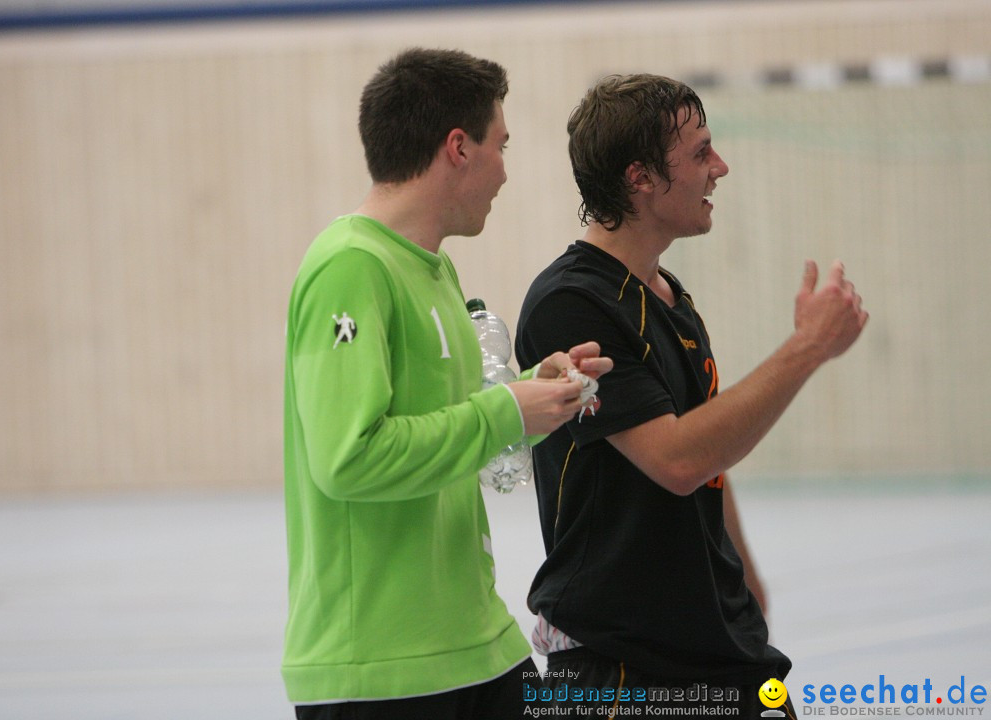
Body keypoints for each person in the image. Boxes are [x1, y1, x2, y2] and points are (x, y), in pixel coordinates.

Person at [515, 73, 868, 717]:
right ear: (641, 178)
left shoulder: (670, 296)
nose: (720, 167)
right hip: (622, 671)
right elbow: (676, 459)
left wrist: (741, 576)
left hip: (719, 649)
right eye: (701, 153)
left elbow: (706, 451)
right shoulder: (570, 304)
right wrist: (808, 347)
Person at [281, 48, 611, 720]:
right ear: (458, 148)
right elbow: (349, 458)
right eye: (501, 145)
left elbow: (454, 423)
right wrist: (504, 411)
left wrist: (533, 390)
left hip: (477, 642)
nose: (505, 172)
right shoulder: (350, 267)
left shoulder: (435, 271)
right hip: (381, 670)